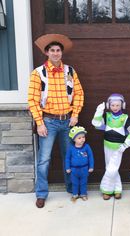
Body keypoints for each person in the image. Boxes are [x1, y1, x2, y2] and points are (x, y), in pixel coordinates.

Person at [28, 34, 84, 208]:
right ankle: (42, 193)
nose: (55, 53)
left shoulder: (70, 71)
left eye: (58, 50)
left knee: (69, 156)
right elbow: (32, 99)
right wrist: (39, 122)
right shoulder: (38, 73)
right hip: (48, 122)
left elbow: (79, 94)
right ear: (47, 53)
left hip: (68, 121)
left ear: (62, 52)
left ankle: (71, 187)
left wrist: (75, 114)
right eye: (52, 50)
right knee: (44, 159)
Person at [92, 93, 130, 200]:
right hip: (107, 145)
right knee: (111, 167)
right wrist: (99, 112)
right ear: (109, 106)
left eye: (117, 105)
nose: (115, 107)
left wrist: (125, 145)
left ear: (122, 105)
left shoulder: (125, 118)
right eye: (113, 105)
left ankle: (106, 190)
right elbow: (96, 124)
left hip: (118, 147)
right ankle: (117, 189)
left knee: (112, 168)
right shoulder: (107, 116)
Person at [65, 126, 94, 202]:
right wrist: (67, 167)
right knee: (74, 183)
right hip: (74, 169)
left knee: (83, 182)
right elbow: (67, 158)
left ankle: (83, 194)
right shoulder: (71, 148)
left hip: (84, 169)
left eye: (83, 137)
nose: (82, 139)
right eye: (79, 138)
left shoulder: (87, 147)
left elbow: (91, 157)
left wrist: (91, 166)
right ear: (74, 139)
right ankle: (75, 194)